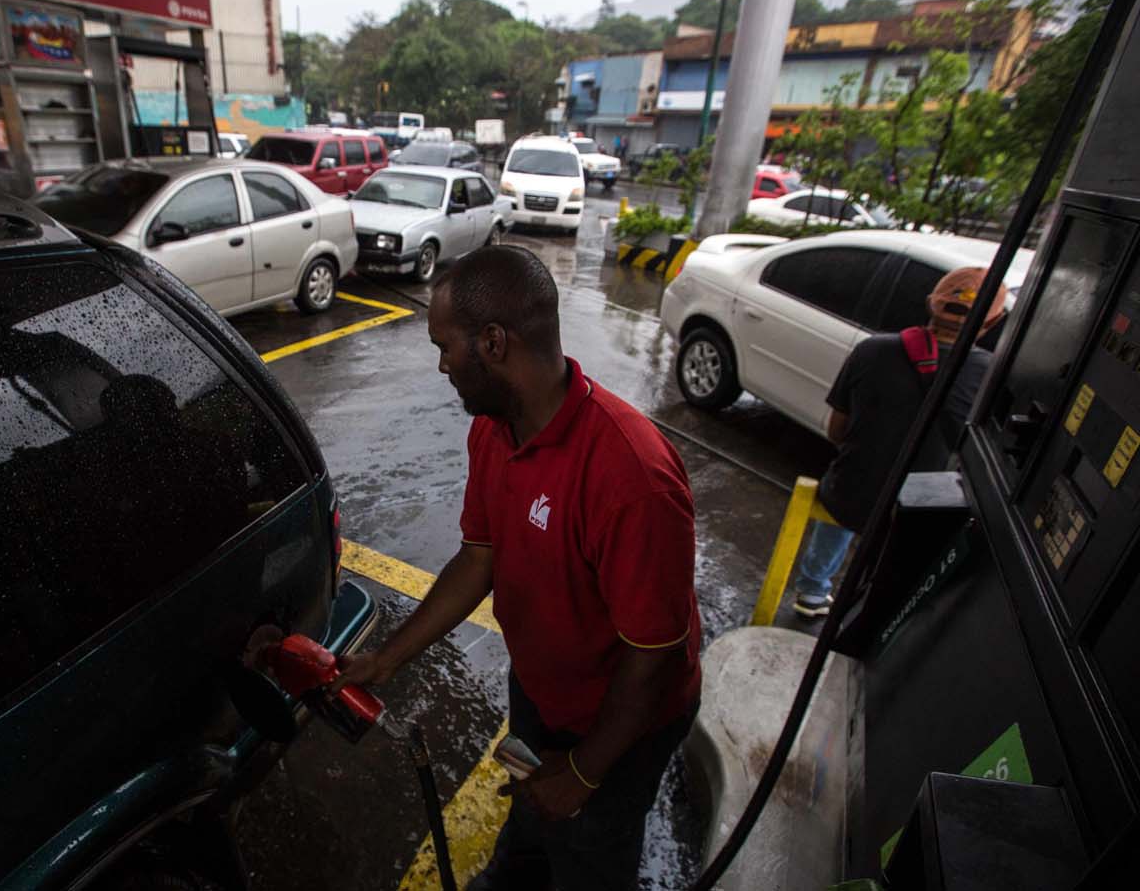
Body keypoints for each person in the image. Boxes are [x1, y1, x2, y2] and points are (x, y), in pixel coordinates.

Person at [337, 245, 702, 891]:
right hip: (537, 693)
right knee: (531, 817)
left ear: (494, 342)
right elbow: (479, 558)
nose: (441, 364)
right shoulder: (495, 428)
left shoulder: (631, 475)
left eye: (445, 346)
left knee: (590, 847)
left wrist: (586, 773)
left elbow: (656, 657)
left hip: (623, 723)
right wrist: (386, 659)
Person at [793, 266, 1007, 617]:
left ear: (929, 304)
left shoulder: (872, 350)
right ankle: (869, 611)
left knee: (841, 489)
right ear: (992, 322)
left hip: (851, 493)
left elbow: (837, 431)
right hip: (916, 513)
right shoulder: (991, 374)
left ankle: (812, 593)